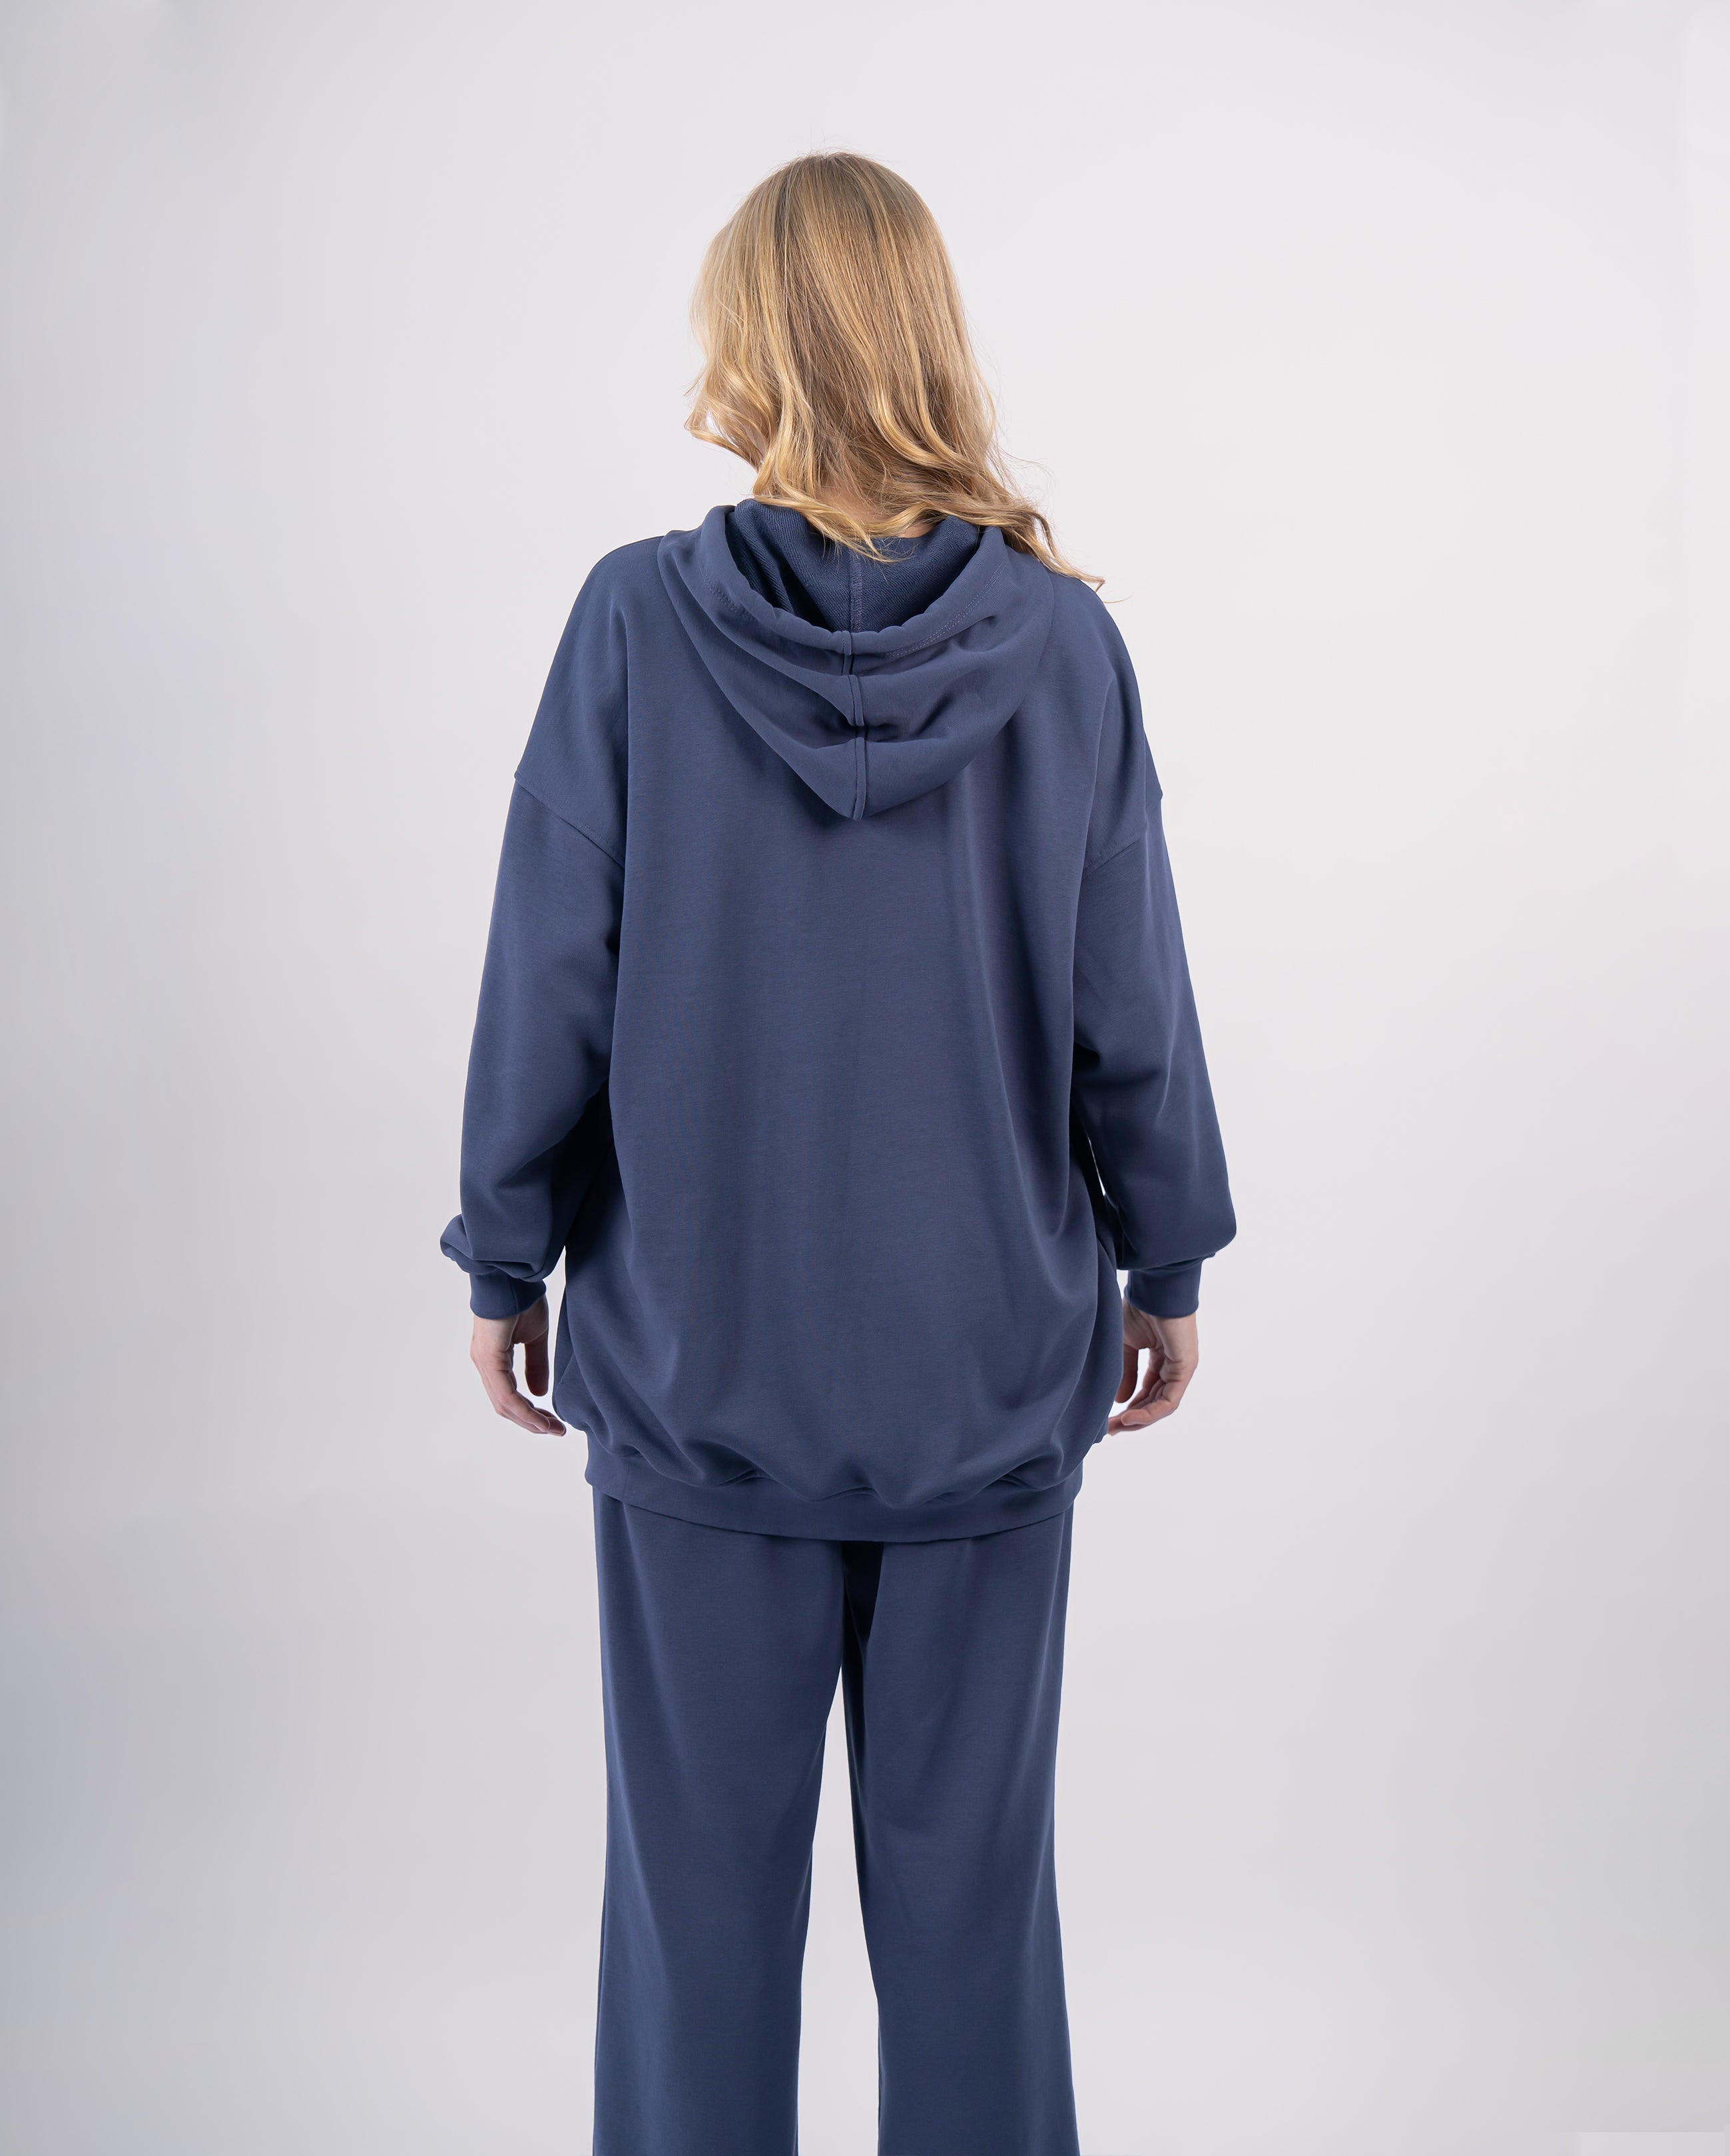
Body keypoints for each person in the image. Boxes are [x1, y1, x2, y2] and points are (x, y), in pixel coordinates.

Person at [441, 150, 1234, 2156]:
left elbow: (552, 965)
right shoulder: (1063, 646)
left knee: (694, 1934)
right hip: (985, 1376)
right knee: (976, 1933)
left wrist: (505, 1252)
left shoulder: (634, 625)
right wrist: (1165, 1263)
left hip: (703, 1371)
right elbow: (1131, 1001)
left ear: (750, 342)